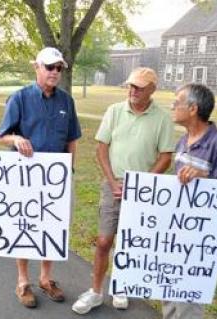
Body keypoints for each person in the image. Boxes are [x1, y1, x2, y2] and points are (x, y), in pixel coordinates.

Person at [72, 67, 175, 314]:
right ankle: (95, 292)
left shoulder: (162, 118)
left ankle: (121, 287)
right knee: (105, 240)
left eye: (139, 87)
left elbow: (165, 156)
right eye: (131, 86)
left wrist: (141, 185)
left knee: (131, 243)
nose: (133, 91)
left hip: (144, 189)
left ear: (152, 89)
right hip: (113, 184)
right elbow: (101, 148)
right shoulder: (114, 111)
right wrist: (113, 181)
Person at [0, 47, 82, 308]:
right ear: (37, 67)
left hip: (55, 179)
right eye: (50, 67)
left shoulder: (66, 101)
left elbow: (71, 139)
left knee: (51, 228)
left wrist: (69, 170)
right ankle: (23, 281)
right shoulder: (20, 98)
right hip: (25, 177)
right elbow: (2, 136)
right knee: (24, 225)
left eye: (59, 68)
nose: (55, 72)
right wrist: (17, 138)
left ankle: (46, 279)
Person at [162, 83, 217, 319]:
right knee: (169, 292)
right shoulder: (183, 142)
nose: (172, 107)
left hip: (200, 238)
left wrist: (204, 176)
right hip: (177, 231)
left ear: (193, 109)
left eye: (176, 103)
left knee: (188, 303)